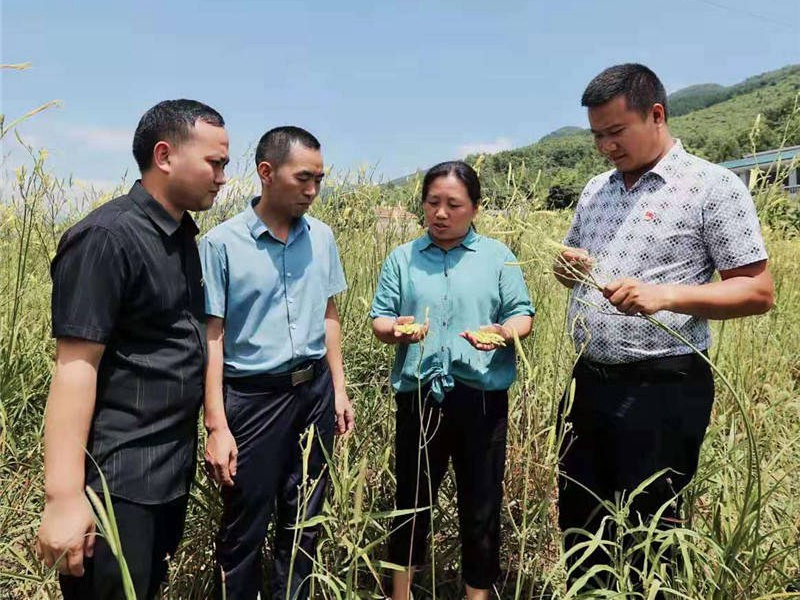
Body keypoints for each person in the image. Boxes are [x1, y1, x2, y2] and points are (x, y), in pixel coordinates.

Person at [553, 63, 774, 590]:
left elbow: (756, 290)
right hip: (590, 379)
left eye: (616, 132)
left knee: (650, 529)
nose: (606, 146)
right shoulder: (595, 190)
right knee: (582, 522)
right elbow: (576, 265)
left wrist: (666, 296)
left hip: (664, 384)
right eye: (597, 136)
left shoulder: (711, 187)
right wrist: (568, 270)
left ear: (656, 114)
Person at [36, 100, 230, 599]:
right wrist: (62, 498)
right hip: (116, 480)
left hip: (166, 472)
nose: (223, 177)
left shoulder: (181, 235)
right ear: (165, 156)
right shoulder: (106, 238)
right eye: (215, 163)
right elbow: (75, 368)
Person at [200, 126, 354, 600]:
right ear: (266, 173)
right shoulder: (221, 244)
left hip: (313, 392)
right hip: (253, 398)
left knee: (306, 515)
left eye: (320, 179)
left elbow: (329, 315)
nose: (313, 190)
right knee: (245, 524)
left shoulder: (322, 237)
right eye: (303, 178)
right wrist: (216, 425)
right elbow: (213, 336)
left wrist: (340, 388)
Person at [371, 160, 535, 600]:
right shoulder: (402, 258)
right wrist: (396, 329)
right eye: (432, 203)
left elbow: (522, 314)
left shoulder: (498, 257)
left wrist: (504, 333)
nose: (441, 213)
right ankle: (400, 593)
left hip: (481, 398)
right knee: (411, 501)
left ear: (475, 208)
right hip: (419, 397)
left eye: (454, 205)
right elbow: (381, 319)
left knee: (481, 503)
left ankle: (476, 594)